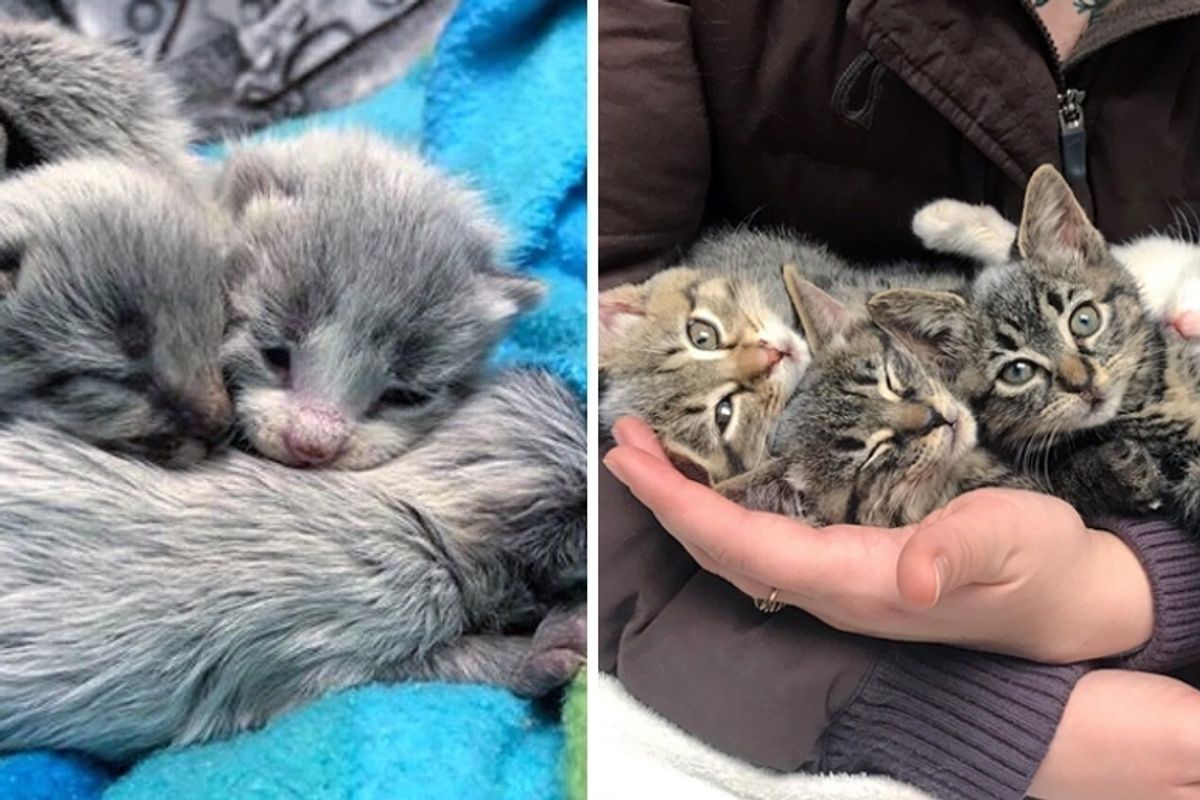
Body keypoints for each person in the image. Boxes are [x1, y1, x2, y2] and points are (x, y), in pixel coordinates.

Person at [598, 2, 1200, 798]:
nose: (765, 358)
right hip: (844, 639)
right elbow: (592, 424)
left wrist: (1137, 586)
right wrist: (946, 712)